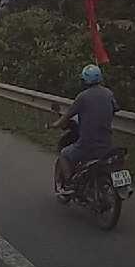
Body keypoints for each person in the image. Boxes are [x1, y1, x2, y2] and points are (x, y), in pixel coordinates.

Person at [50, 63, 119, 195]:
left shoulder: (83, 97)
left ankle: (69, 184)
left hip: (87, 144)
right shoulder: (109, 93)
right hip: (107, 143)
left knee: (64, 154)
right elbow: (115, 108)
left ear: (85, 80)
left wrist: (55, 124)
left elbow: (67, 116)